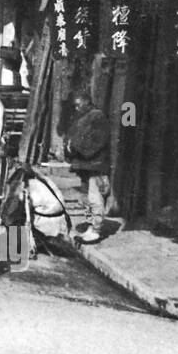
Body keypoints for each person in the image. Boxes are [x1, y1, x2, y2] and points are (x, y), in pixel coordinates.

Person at [65, 92, 111, 243]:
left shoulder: (97, 117)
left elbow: (96, 141)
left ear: (87, 103)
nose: (77, 108)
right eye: (75, 106)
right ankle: (92, 224)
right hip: (86, 164)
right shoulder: (84, 117)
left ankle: (97, 229)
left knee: (95, 196)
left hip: (95, 164)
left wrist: (75, 146)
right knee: (88, 198)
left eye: (79, 104)